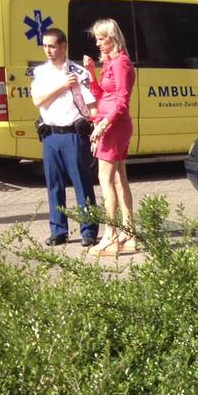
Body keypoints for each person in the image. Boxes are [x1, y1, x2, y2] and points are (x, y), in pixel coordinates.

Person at [31, 27, 99, 247]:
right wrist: (61, 85)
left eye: (52, 46)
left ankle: (88, 230)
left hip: (72, 134)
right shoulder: (41, 73)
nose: (48, 51)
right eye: (45, 46)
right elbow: (38, 100)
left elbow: (91, 104)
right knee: (54, 185)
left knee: (82, 183)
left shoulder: (78, 73)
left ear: (63, 46)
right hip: (50, 134)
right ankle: (58, 230)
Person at [82, 18, 137, 257]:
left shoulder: (121, 63)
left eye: (101, 39)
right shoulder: (111, 62)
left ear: (112, 38)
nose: (98, 43)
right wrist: (91, 74)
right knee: (118, 178)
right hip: (109, 122)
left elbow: (122, 101)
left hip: (114, 125)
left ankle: (110, 235)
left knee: (105, 178)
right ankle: (128, 231)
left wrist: (103, 125)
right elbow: (101, 94)